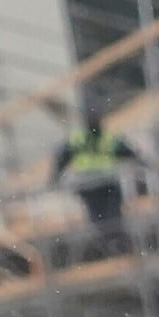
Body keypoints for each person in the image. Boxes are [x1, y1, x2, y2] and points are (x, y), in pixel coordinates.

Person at [53, 99, 137, 257]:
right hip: (98, 185)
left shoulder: (80, 139)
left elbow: (61, 158)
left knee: (105, 219)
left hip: (96, 185)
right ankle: (115, 246)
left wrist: (55, 178)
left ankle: (114, 246)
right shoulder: (104, 138)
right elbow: (129, 153)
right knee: (108, 218)